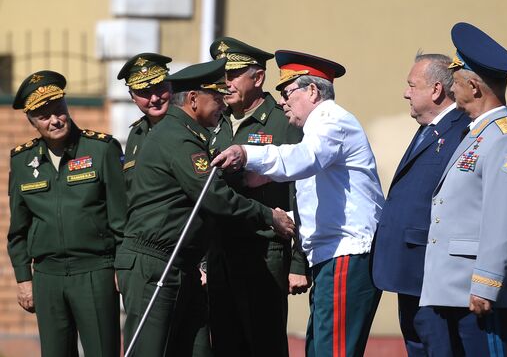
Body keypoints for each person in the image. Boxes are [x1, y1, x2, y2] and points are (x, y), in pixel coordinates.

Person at [115, 58, 295, 356]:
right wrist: (269, 216)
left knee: (198, 349)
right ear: (194, 99)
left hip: (181, 263)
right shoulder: (179, 138)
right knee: (150, 349)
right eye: (217, 97)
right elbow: (214, 197)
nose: (224, 105)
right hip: (155, 262)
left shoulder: (191, 135)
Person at [212, 50, 385, 357]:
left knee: (333, 350)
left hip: (346, 252)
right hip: (330, 253)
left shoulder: (331, 120)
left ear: (313, 91)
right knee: (319, 348)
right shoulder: (316, 129)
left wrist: (247, 154)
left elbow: (303, 160)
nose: (282, 102)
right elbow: (317, 196)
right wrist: (283, 216)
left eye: (288, 92)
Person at [419, 22, 507, 356]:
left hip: (479, 295)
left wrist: (486, 284)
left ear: (473, 85)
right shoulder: (477, 134)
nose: (451, 91)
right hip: (454, 290)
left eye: (455, 82)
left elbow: (503, 219)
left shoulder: (505, 140)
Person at [7, 70, 126, 357]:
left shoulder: (101, 150)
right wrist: (24, 278)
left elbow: (121, 219)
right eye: (44, 116)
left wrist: (121, 268)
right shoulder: (23, 161)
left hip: (95, 271)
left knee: (102, 351)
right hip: (48, 276)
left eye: (58, 110)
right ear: (32, 122)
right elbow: (18, 229)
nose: (55, 120)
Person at [207, 37, 310, 357]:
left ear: (258, 78)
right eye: (223, 74)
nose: (226, 83)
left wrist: (298, 261)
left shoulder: (283, 121)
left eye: (234, 74)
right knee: (225, 342)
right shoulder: (215, 120)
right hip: (220, 251)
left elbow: (301, 191)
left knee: (263, 342)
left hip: (264, 250)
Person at [371, 53, 470, 355]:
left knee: (438, 348)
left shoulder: (462, 129)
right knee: (418, 346)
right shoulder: (429, 128)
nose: (406, 93)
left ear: (436, 89)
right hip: (411, 270)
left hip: (431, 273)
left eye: (412, 85)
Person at [116, 52, 172, 195]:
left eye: (159, 87)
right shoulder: (136, 133)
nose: (154, 98)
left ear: (171, 84)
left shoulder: (189, 124)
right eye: (144, 92)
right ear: (132, 97)